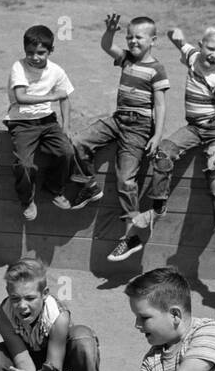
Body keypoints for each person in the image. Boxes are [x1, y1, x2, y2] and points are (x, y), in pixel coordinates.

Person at [55, 13, 169, 261]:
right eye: (129, 36)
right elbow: (107, 46)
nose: (133, 41)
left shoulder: (156, 69)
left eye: (139, 37)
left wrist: (157, 135)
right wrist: (110, 31)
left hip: (139, 127)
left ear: (153, 40)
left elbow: (160, 105)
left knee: (126, 179)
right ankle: (88, 185)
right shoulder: (126, 59)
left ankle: (131, 237)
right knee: (77, 142)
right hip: (118, 119)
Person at [128, 25, 215, 272]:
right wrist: (175, 34)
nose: (214, 55)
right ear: (201, 45)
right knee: (164, 151)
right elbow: (179, 41)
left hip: (214, 132)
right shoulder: (193, 57)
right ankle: (158, 207)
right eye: (210, 48)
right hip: (193, 128)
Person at [3, 24, 77, 221]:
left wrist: (66, 127)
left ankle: (53, 188)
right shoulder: (18, 66)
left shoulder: (57, 71)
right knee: (24, 165)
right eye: (30, 52)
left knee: (67, 152)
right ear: (24, 50)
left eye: (41, 53)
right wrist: (50, 97)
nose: (35, 57)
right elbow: (20, 97)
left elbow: (65, 98)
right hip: (22, 122)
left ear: (50, 51)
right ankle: (26, 199)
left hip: (47, 121)